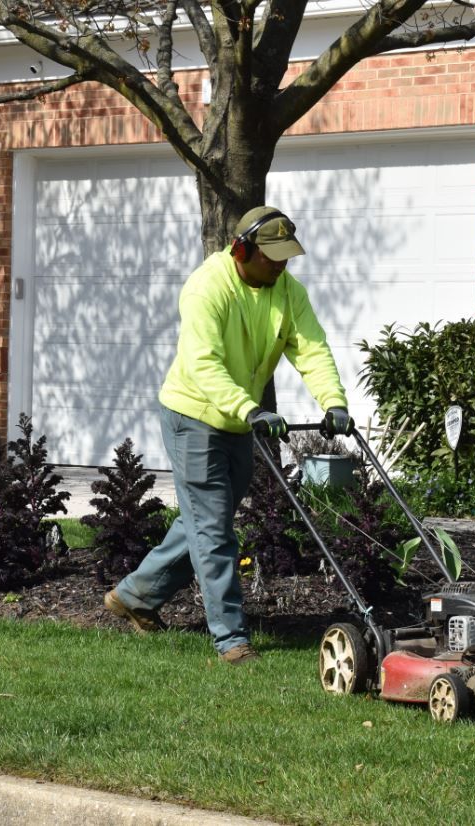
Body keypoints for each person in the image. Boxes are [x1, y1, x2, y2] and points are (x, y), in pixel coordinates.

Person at [104, 206, 354, 664]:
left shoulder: (287, 290)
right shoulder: (207, 287)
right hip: (194, 416)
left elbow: (312, 348)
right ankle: (231, 640)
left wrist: (333, 402)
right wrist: (251, 408)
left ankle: (135, 594)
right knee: (215, 529)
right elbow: (203, 366)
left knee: (204, 520)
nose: (281, 265)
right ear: (242, 249)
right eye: (271, 256)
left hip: (239, 421)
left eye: (286, 257)